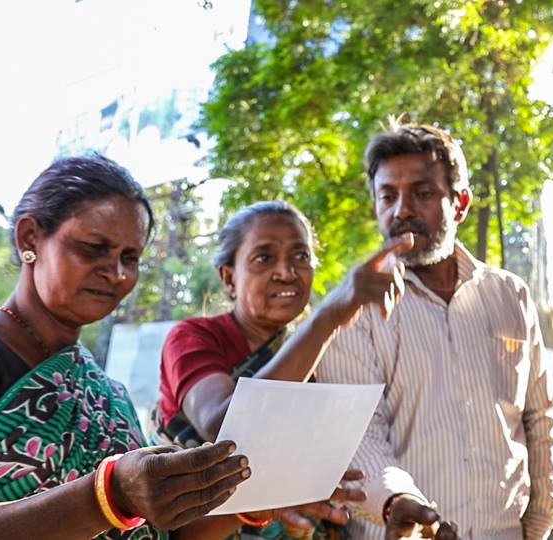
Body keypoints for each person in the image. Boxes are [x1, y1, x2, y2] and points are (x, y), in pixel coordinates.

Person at [315, 122, 553, 540]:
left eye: (423, 193)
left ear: (461, 203)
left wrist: (538, 522)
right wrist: (396, 502)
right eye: (388, 196)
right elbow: (359, 438)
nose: (402, 210)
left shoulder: (510, 295)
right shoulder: (353, 310)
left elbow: (540, 417)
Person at [0, 155, 259, 539]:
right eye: (93, 248)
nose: (117, 273)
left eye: (131, 257)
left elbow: (158, 531)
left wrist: (254, 504)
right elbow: (111, 504)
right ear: (30, 238)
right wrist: (106, 497)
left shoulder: (106, 393)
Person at [156, 200, 458, 540]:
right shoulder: (194, 337)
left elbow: (354, 459)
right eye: (264, 258)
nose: (287, 272)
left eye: (301, 256)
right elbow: (225, 428)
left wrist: (393, 502)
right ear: (229, 277)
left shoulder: (326, 352)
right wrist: (327, 318)